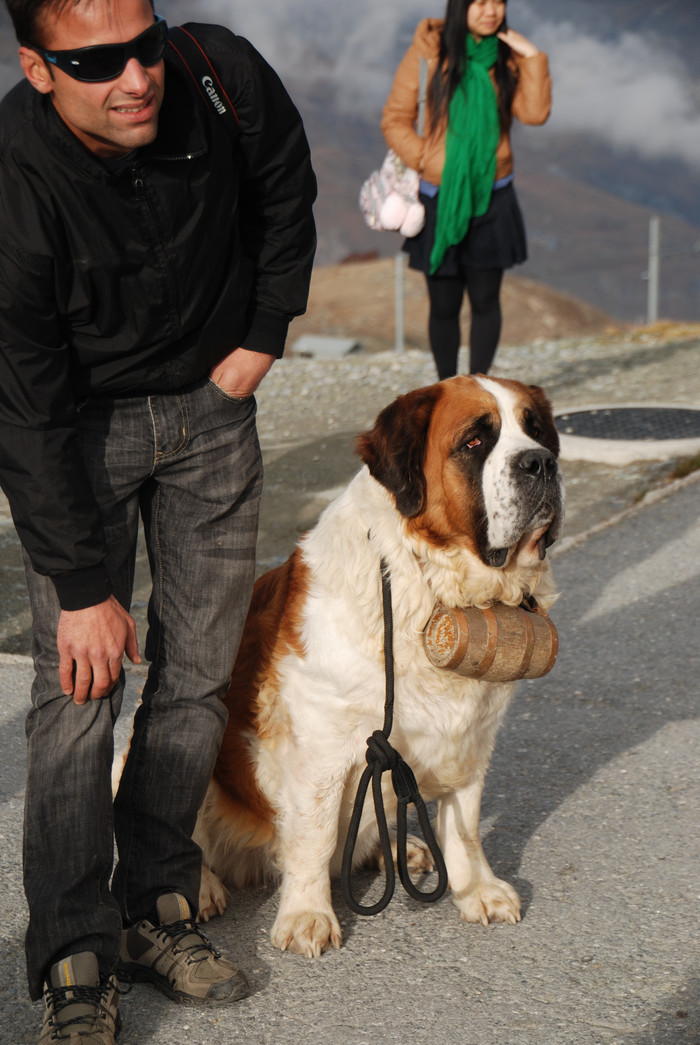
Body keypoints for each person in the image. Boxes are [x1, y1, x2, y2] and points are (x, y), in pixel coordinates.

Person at [0, 0, 316, 1040]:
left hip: (213, 416)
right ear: (38, 67)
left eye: (144, 43)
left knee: (196, 674)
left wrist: (264, 331)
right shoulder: (14, 177)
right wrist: (85, 588)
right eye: (95, 61)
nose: (136, 76)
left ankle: (156, 905)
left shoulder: (216, 73)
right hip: (81, 436)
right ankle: (73, 947)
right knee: (79, 692)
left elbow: (284, 187)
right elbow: (25, 402)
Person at [381, 0, 551, 379]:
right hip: (440, 198)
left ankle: (479, 386)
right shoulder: (428, 52)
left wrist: (532, 56)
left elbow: (535, 114)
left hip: (494, 195)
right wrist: (428, 159)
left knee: (486, 301)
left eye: (498, 2)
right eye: (480, 2)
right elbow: (395, 119)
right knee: (443, 305)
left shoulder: (505, 56)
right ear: (460, 7)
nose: (491, 10)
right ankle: (447, 387)